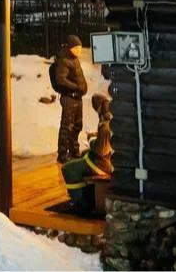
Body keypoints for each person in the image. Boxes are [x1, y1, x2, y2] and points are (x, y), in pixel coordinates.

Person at [62, 94, 114, 214]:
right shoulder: (109, 121)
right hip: (104, 160)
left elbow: (101, 150)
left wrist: (91, 140)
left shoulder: (105, 125)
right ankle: (86, 196)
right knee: (83, 154)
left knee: (68, 169)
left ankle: (80, 203)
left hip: (101, 163)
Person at [51, 34, 89, 162]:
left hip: (77, 97)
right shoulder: (64, 60)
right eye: (76, 48)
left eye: (80, 48)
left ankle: (74, 149)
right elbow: (61, 79)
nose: (78, 51)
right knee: (67, 126)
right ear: (70, 48)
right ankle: (62, 153)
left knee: (78, 125)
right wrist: (76, 87)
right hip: (69, 98)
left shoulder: (74, 59)